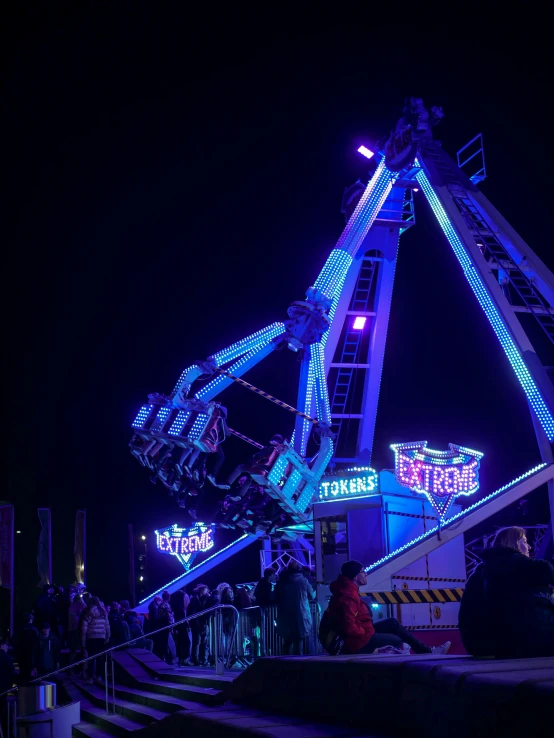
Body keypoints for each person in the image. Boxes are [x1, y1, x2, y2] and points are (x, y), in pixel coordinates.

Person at [459, 526, 554, 658]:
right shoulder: (511, 561)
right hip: (507, 643)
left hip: (480, 643)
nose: (529, 547)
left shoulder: (483, 570)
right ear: (514, 544)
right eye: (525, 542)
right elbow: (546, 570)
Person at [327, 561, 450, 655]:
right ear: (355, 577)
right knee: (396, 640)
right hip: (352, 643)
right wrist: (365, 632)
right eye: (363, 571)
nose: (366, 574)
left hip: (354, 636)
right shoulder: (348, 595)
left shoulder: (348, 590)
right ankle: (425, 652)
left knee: (392, 623)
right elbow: (349, 627)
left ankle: (426, 650)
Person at [275, 560, 314, 655]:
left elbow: (276, 595)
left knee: (287, 641)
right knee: (299, 640)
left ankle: (284, 664)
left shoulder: (282, 581)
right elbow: (311, 595)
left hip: (285, 613)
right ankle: (297, 664)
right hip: (301, 613)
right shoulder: (303, 581)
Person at [80, 596, 110, 683]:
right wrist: (107, 637)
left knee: (91, 658)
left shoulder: (88, 611)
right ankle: (99, 676)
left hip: (91, 637)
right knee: (100, 657)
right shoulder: (103, 612)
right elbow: (107, 626)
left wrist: (83, 640)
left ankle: (90, 677)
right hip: (101, 637)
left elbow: (84, 627)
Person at [188, 584, 215, 666]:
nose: (207, 592)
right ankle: (195, 658)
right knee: (197, 641)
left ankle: (202, 658)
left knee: (203, 641)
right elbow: (191, 610)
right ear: (202, 591)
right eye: (206, 590)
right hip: (196, 622)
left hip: (203, 622)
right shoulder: (194, 599)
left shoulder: (205, 599)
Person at [14, 613, 39, 683]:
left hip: (21, 655)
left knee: (23, 673)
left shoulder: (20, 629)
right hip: (31, 656)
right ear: (31, 620)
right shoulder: (34, 630)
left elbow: (14, 641)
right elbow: (37, 644)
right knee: (30, 675)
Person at [169, 589, 192, 666]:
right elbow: (187, 608)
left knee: (179, 642)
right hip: (182, 624)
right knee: (186, 641)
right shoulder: (181, 609)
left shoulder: (175, 606)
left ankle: (180, 659)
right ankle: (185, 659)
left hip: (178, 624)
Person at [67, 592, 86, 672]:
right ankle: (82, 670)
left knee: (73, 651)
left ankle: (71, 670)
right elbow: (86, 610)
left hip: (71, 631)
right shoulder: (79, 608)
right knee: (82, 650)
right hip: (78, 631)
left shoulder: (71, 608)